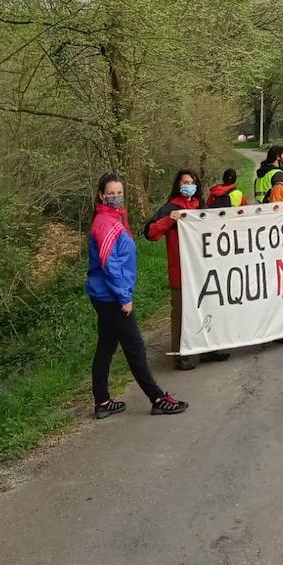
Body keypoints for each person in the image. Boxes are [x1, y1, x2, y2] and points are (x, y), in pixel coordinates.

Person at [87, 172, 187, 418]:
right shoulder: (105, 223)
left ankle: (102, 402)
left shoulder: (114, 218)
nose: (115, 197)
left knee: (106, 347)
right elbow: (110, 264)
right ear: (101, 195)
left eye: (119, 192)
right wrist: (124, 297)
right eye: (110, 193)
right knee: (135, 348)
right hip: (111, 296)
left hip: (105, 294)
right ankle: (157, 398)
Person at [145, 170, 231, 370]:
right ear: (178, 185)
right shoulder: (170, 208)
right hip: (181, 272)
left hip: (203, 271)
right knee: (182, 313)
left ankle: (209, 348)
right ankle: (181, 354)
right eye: (185, 182)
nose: (188, 185)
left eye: (191, 182)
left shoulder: (200, 206)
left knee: (208, 309)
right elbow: (150, 233)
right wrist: (170, 220)